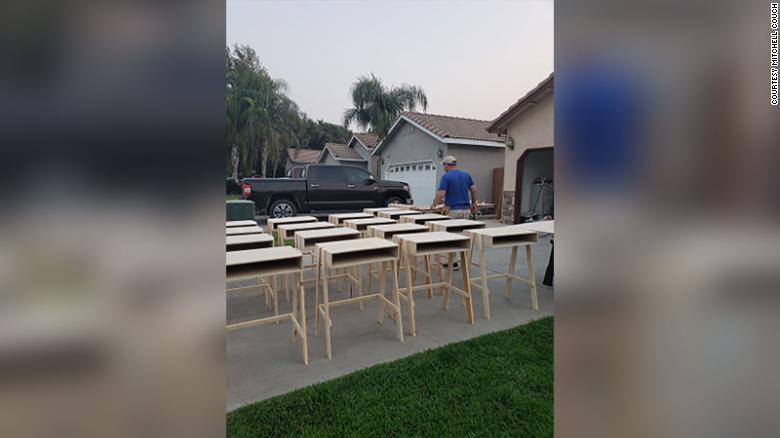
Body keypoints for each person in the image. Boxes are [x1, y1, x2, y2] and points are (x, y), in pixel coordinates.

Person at [431, 155, 477, 269]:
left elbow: (441, 194)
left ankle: (451, 263)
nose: (443, 168)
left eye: (443, 165)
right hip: (466, 211)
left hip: (453, 211)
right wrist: (474, 203)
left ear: (447, 165)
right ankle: (464, 261)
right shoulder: (466, 175)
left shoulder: (446, 177)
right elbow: (474, 189)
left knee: (449, 237)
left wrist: (434, 205)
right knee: (462, 236)